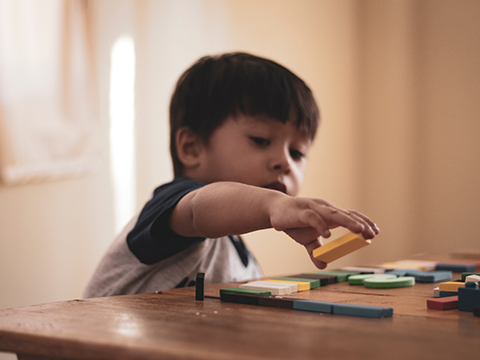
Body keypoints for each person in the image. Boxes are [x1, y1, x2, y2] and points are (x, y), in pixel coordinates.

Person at [83, 52, 379, 298]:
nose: (285, 163)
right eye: (261, 140)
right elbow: (202, 209)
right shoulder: (175, 208)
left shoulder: (243, 262)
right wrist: (272, 205)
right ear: (192, 147)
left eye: (298, 152)